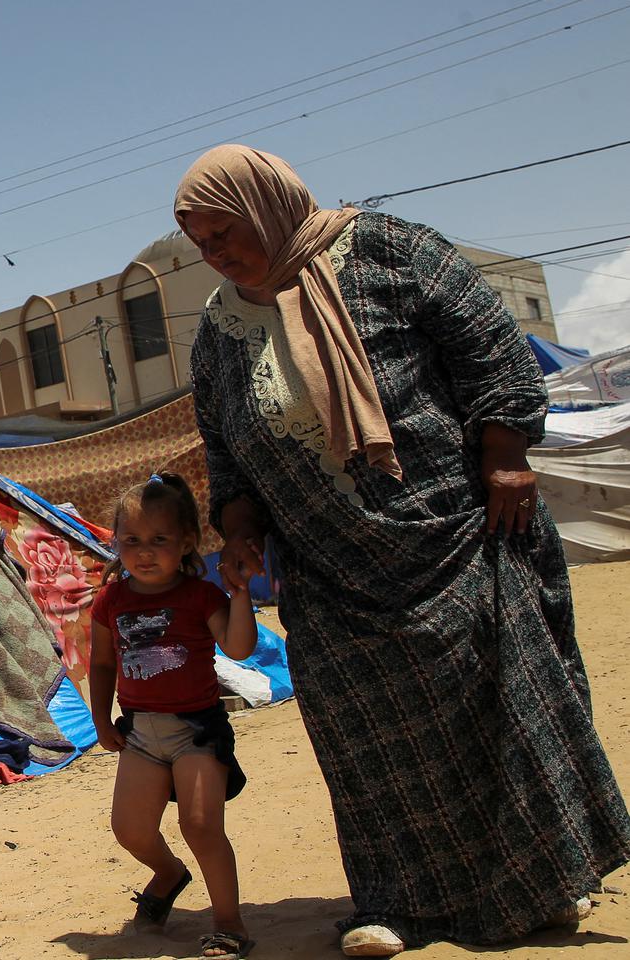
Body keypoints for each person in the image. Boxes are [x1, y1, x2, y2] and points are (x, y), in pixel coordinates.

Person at [176, 144, 630, 956]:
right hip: (330, 575)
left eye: (227, 231)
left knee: (497, 717)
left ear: (270, 204)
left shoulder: (389, 251)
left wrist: (504, 455)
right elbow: (223, 446)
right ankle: (398, 906)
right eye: (201, 242)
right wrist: (240, 527)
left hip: (456, 537)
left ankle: (546, 885)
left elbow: (490, 346)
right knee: (372, 750)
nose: (217, 253)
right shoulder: (218, 328)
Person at [89, 472, 261, 960]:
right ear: (117, 543)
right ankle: (169, 874)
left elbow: (240, 647)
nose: (144, 552)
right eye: (132, 540)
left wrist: (241, 596)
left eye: (159, 540)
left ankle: (229, 924)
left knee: (201, 826)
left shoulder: (200, 596)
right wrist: (101, 720)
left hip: (196, 731)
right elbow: (102, 663)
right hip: (140, 731)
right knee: (131, 831)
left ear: (187, 541)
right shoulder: (110, 600)